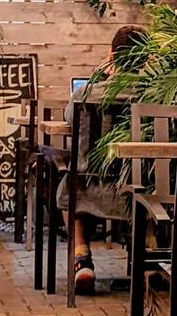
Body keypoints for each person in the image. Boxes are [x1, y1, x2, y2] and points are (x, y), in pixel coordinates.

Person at [61, 25, 145, 294]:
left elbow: (68, 119)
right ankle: (150, 259)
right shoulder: (153, 94)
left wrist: (97, 77)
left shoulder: (85, 93)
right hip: (137, 192)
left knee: (68, 188)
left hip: (89, 189)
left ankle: (82, 258)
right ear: (145, 59)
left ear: (112, 56)